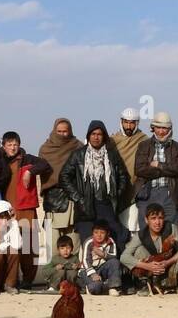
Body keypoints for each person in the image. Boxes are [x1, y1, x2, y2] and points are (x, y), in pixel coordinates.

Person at [64, 120, 132, 266]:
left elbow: (123, 176)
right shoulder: (78, 155)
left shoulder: (111, 155)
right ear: (88, 136)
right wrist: (78, 198)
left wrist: (116, 194)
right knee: (89, 242)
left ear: (104, 136)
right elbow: (64, 177)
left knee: (116, 238)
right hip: (85, 207)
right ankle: (89, 278)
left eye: (100, 134)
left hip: (106, 205)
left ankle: (118, 274)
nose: (96, 137)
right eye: (93, 134)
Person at [0, 131, 51, 291]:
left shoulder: (27, 159)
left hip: (27, 208)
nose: (13, 147)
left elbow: (45, 164)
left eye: (15, 144)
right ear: (3, 146)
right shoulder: (0, 160)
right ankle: (11, 280)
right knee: (10, 245)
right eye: (9, 145)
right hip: (7, 209)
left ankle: (28, 280)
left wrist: (30, 171)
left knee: (30, 247)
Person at [133, 112, 178, 230]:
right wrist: (164, 170)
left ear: (170, 129)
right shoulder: (144, 145)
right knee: (146, 231)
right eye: (158, 128)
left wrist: (158, 165)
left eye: (165, 128)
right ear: (153, 128)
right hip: (147, 192)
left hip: (170, 193)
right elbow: (139, 169)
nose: (161, 131)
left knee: (171, 230)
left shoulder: (177, 148)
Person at [37, 118, 82, 250]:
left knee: (73, 240)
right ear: (54, 130)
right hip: (53, 199)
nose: (62, 134)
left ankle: (74, 269)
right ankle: (54, 269)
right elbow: (43, 172)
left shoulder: (78, 146)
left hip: (73, 198)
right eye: (59, 131)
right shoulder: (46, 149)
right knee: (54, 242)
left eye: (65, 131)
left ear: (70, 131)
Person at [121, 202, 178, 294]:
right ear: (146, 220)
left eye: (160, 218)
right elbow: (124, 257)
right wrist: (148, 266)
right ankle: (144, 284)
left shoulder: (171, 228)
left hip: (167, 268)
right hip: (148, 270)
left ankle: (175, 284)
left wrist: (168, 262)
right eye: (153, 218)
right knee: (139, 250)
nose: (157, 222)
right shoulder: (141, 235)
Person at [113, 107, 147, 234]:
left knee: (133, 227)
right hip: (118, 190)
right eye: (126, 122)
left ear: (137, 123)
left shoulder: (143, 140)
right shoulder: (113, 140)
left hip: (135, 190)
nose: (128, 125)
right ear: (121, 122)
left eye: (132, 122)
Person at [77, 219, 123, 296]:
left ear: (107, 233)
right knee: (96, 287)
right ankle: (89, 286)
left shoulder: (110, 242)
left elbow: (114, 256)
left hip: (102, 269)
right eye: (96, 232)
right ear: (92, 233)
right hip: (87, 270)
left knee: (115, 262)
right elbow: (85, 260)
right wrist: (92, 274)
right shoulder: (89, 242)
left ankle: (113, 287)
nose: (99, 235)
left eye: (102, 233)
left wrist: (103, 255)